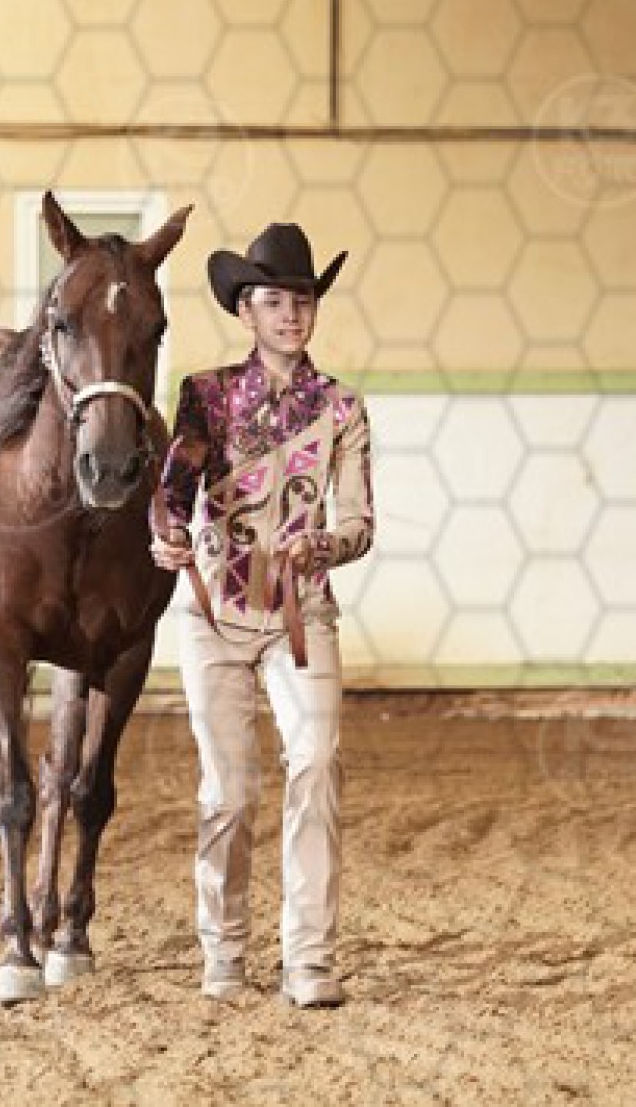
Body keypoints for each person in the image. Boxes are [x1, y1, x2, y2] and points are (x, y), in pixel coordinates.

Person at [150, 222, 375, 1009]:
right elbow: (173, 493)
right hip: (214, 618)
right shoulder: (205, 397)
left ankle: (308, 959)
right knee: (229, 791)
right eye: (274, 301)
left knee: (316, 764)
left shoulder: (342, 408)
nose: (291, 314)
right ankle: (225, 950)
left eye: (303, 300)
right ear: (245, 309)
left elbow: (361, 522)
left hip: (300, 616)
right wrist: (166, 536)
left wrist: (326, 545)